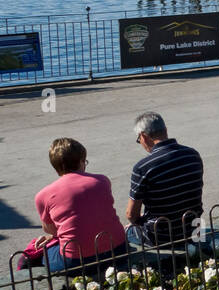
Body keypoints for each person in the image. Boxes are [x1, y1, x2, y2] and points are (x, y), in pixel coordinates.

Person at [35, 138, 129, 273]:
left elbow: (51, 230)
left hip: (76, 260)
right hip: (118, 250)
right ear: (81, 162)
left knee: (44, 254)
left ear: (55, 167)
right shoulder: (102, 181)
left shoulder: (43, 195)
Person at [126, 112, 204, 247]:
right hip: (193, 229)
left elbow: (131, 215)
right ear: (165, 131)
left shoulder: (143, 167)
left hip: (160, 236)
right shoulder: (193, 155)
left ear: (143, 136)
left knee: (126, 232)